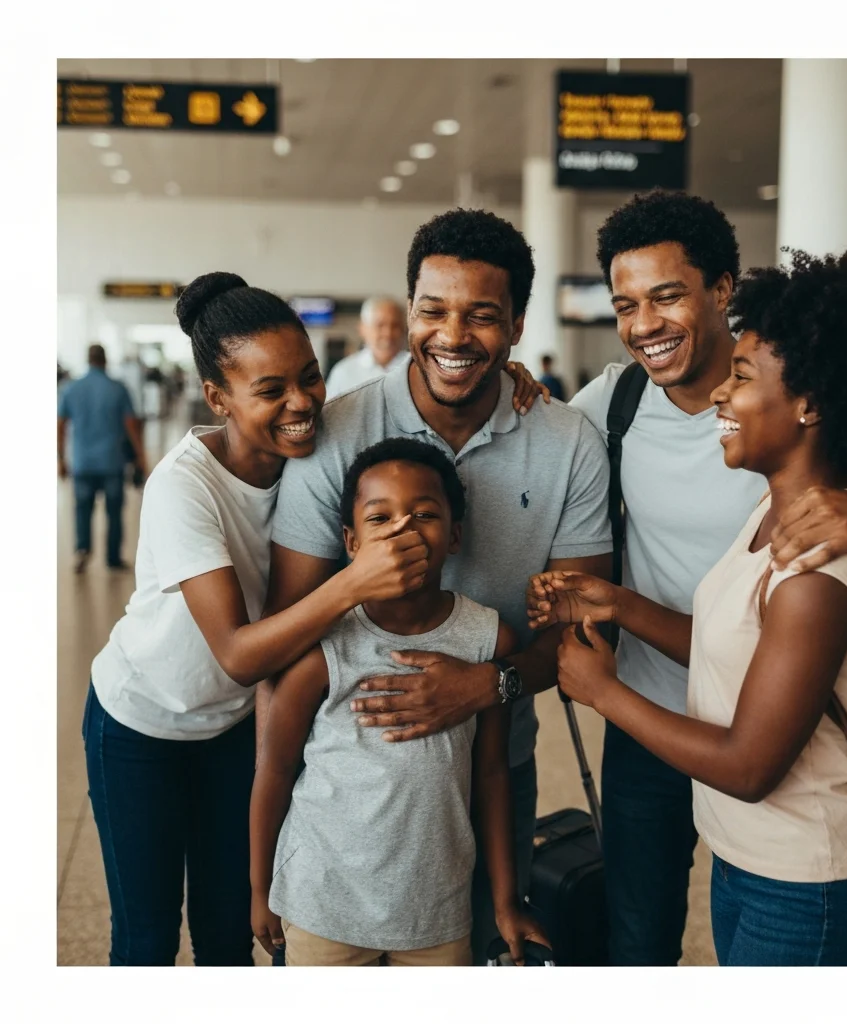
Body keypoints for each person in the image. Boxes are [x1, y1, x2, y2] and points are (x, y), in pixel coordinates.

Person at [82, 272, 549, 968]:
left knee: (224, 930)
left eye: (310, 377)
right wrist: (352, 585)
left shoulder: (317, 442)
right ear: (218, 398)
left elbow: (403, 404)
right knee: (147, 934)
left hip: (232, 725)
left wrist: (505, 377)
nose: (301, 402)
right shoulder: (186, 486)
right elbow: (240, 654)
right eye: (270, 391)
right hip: (146, 719)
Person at [566, 189, 847, 966]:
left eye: (667, 295)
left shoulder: (803, 390)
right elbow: (525, 440)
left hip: (783, 783)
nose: (644, 323)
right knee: (638, 940)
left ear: (722, 291)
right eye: (625, 304)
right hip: (663, 710)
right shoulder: (613, 407)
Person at [263, 207, 613, 965]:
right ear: (408, 310)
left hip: (491, 767)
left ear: (517, 326)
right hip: (342, 781)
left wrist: (490, 687)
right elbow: (289, 625)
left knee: (481, 956)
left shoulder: (568, 445)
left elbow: (587, 634)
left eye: (482, 316)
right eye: (433, 310)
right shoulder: (338, 434)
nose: (453, 336)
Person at [251, 438, 547, 966]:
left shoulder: (489, 642)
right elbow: (274, 770)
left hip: (436, 914)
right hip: (323, 905)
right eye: (379, 516)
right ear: (351, 540)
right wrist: (258, 889)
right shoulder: (321, 649)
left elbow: (493, 775)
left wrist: (505, 902)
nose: (403, 529)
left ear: (455, 535)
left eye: (425, 514)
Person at [58, 343, 147, 573]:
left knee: (82, 509)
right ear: (105, 360)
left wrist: (60, 459)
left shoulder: (71, 387)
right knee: (114, 510)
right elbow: (131, 425)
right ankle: (113, 558)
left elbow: (60, 426)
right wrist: (140, 456)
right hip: (112, 461)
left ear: (88, 360)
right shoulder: (118, 388)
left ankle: (82, 550)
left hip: (82, 461)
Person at [325, 296, 409, 398]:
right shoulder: (343, 372)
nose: (388, 333)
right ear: (362, 328)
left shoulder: (417, 367)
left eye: (395, 325)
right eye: (380, 325)